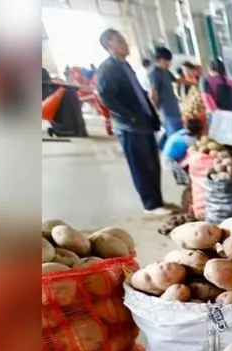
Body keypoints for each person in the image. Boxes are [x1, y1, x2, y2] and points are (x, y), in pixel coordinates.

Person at [95, 28, 169, 216]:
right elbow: (107, 98)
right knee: (141, 165)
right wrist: (130, 116)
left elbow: (139, 94)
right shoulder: (107, 69)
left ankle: (157, 200)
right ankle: (150, 205)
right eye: (121, 40)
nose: (125, 43)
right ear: (110, 44)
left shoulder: (124, 66)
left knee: (152, 163)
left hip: (143, 123)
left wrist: (151, 115)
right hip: (130, 127)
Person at [148, 46, 183, 148]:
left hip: (174, 108)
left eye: (169, 62)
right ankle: (171, 158)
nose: (169, 64)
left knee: (177, 133)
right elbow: (153, 94)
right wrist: (156, 112)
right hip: (166, 111)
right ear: (157, 60)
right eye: (166, 62)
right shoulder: (154, 73)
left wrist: (194, 82)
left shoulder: (166, 71)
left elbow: (176, 80)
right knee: (173, 138)